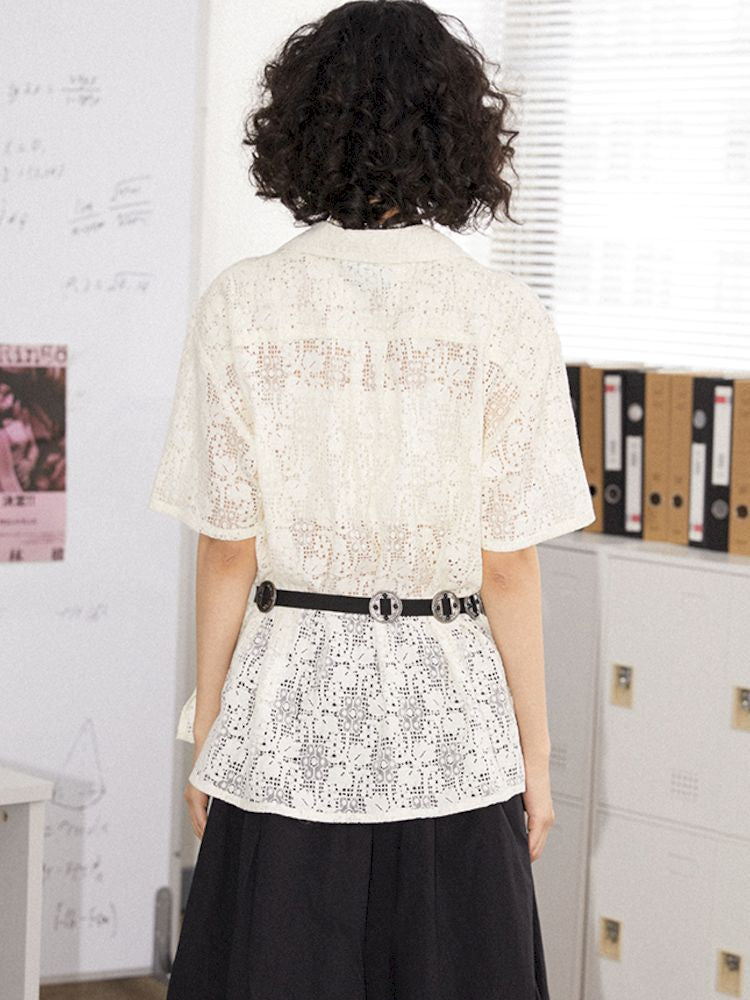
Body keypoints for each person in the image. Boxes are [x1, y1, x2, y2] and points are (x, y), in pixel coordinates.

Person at [148, 1, 595, 997]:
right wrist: (537, 757)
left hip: (282, 732)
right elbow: (508, 568)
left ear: (302, 127)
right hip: (454, 742)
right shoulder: (503, 317)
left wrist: (212, 730)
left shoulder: (241, 306)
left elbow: (227, 550)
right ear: (460, 133)